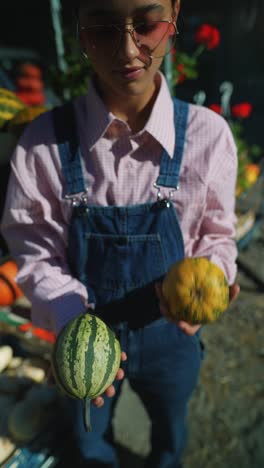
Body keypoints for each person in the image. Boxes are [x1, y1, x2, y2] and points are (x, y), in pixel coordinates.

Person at [1, 0, 240, 467]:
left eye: (147, 23)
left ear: (174, 16)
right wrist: (71, 320)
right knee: (90, 443)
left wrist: (217, 272)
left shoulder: (209, 137)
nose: (128, 48)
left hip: (172, 336)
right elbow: (35, 251)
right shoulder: (44, 144)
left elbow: (218, 234)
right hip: (82, 334)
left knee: (171, 428)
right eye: (104, 26)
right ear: (79, 28)